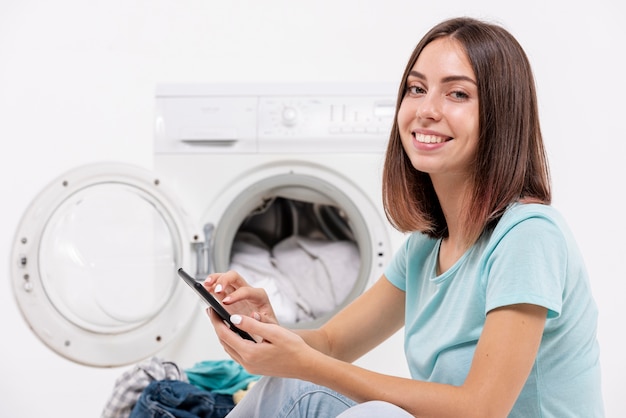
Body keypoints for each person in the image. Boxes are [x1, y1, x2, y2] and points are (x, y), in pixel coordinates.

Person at [203, 16, 604, 417]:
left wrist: (308, 364)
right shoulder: (424, 250)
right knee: (290, 384)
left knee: (376, 414)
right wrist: (266, 330)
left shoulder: (529, 235)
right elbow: (331, 343)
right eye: (416, 89)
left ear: (502, 115)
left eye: (458, 94)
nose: (426, 110)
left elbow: (481, 410)